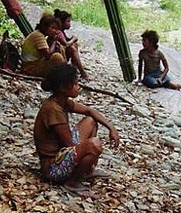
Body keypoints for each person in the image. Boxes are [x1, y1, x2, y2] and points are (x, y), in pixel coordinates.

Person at [33, 63, 119, 197]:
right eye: (75, 84)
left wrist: (111, 128)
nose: (78, 86)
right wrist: (90, 149)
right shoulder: (53, 109)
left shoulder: (61, 101)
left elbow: (89, 111)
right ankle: (73, 182)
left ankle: (87, 171)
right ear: (63, 88)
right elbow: (69, 145)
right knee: (94, 145)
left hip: (62, 153)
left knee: (90, 121)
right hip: (53, 168)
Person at [137, 29, 181, 94]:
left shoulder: (159, 53)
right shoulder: (142, 53)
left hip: (159, 73)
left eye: (145, 41)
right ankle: (166, 84)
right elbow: (140, 66)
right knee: (152, 83)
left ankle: (180, 86)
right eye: (142, 40)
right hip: (149, 75)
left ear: (151, 43)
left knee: (166, 81)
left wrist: (160, 78)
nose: (143, 42)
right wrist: (139, 79)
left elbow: (166, 68)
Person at [20, 13, 66, 78]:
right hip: (30, 68)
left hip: (34, 64)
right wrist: (54, 41)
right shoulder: (38, 36)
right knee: (57, 57)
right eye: (52, 28)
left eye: (56, 29)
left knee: (61, 49)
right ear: (44, 27)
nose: (54, 31)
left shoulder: (39, 34)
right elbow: (48, 55)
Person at [53, 9, 90, 80]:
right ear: (61, 22)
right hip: (58, 57)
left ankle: (75, 67)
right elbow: (66, 44)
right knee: (72, 48)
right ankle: (83, 73)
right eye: (68, 21)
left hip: (61, 53)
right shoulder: (58, 32)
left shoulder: (62, 32)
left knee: (74, 45)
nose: (70, 23)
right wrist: (73, 38)